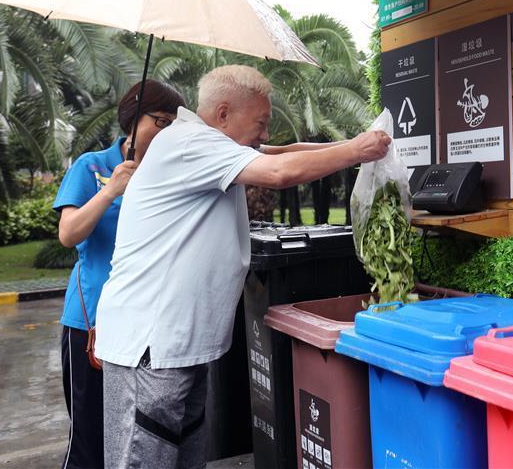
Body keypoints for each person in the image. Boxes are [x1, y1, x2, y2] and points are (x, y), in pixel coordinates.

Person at [94, 65, 390, 469]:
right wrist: (357, 152)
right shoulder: (190, 143)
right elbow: (281, 173)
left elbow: (282, 153)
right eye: (261, 123)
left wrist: (359, 143)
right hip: (150, 346)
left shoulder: (210, 144)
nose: (265, 134)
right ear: (223, 114)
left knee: (182, 457)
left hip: (177, 346)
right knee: (145, 459)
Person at [53, 79, 186, 469]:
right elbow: (68, 233)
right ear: (133, 117)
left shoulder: (168, 173)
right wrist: (111, 190)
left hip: (147, 327)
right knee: (89, 440)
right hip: (92, 325)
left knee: (134, 438)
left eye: (174, 125)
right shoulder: (91, 166)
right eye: (161, 121)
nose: (167, 132)